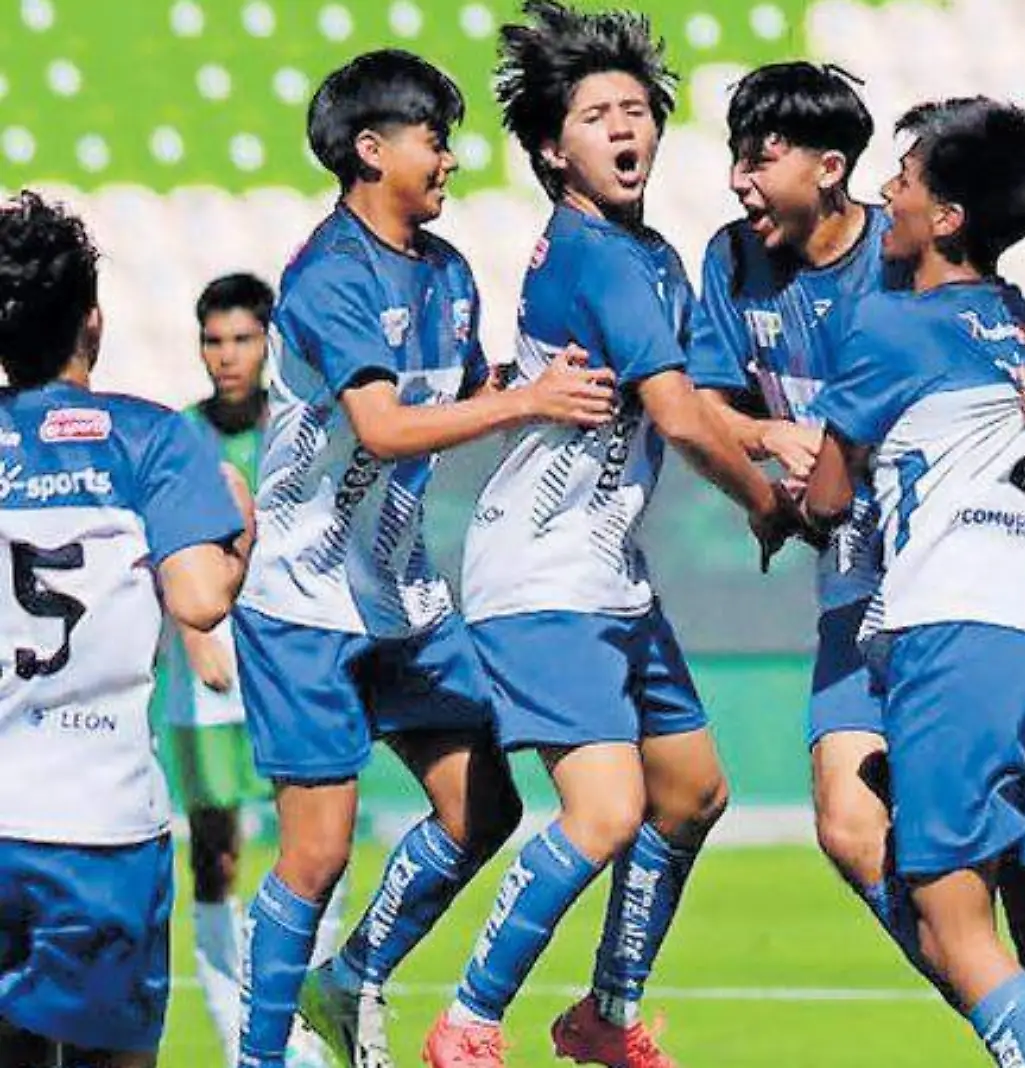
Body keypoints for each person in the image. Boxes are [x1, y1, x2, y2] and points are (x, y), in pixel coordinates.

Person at [689, 65, 1025, 1042]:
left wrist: (800, 480)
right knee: (886, 846)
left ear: (834, 171)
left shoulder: (894, 298)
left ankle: (1016, 1015)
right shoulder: (751, 264)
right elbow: (698, 407)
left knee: (969, 933)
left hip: (938, 620)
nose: (740, 180)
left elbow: (832, 491)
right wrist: (759, 457)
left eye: (758, 157)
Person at [232, 49, 619, 1068]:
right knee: (313, 855)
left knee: (484, 808)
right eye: (433, 138)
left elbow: (454, 394)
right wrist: (526, 402)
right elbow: (386, 427)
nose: (449, 158)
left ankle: (349, 979)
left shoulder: (445, 272)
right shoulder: (326, 277)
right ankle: (258, 1057)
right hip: (305, 605)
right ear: (372, 150)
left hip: (403, 596)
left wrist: (534, 380)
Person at [423, 5, 794, 1065]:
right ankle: (467, 1022)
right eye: (596, 114)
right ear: (553, 147)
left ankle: (604, 1019)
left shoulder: (647, 255)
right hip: (541, 570)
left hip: (606, 570)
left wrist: (770, 433)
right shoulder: (601, 258)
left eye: (636, 109)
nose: (626, 127)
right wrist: (768, 500)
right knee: (603, 811)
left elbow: (682, 398)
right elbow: (678, 419)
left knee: (691, 791)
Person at [0, 190, 251, 1068]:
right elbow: (199, 602)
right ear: (93, 324)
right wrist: (241, 533)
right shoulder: (149, 438)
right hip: (97, 827)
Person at [151, 272, 344, 1068]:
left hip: (291, 654)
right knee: (216, 850)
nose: (226, 356)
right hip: (206, 669)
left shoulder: (299, 431)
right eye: (212, 339)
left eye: (241, 339)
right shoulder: (178, 437)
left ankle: (308, 1015)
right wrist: (190, 634)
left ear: (267, 342)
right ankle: (240, 1037)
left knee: (313, 841)